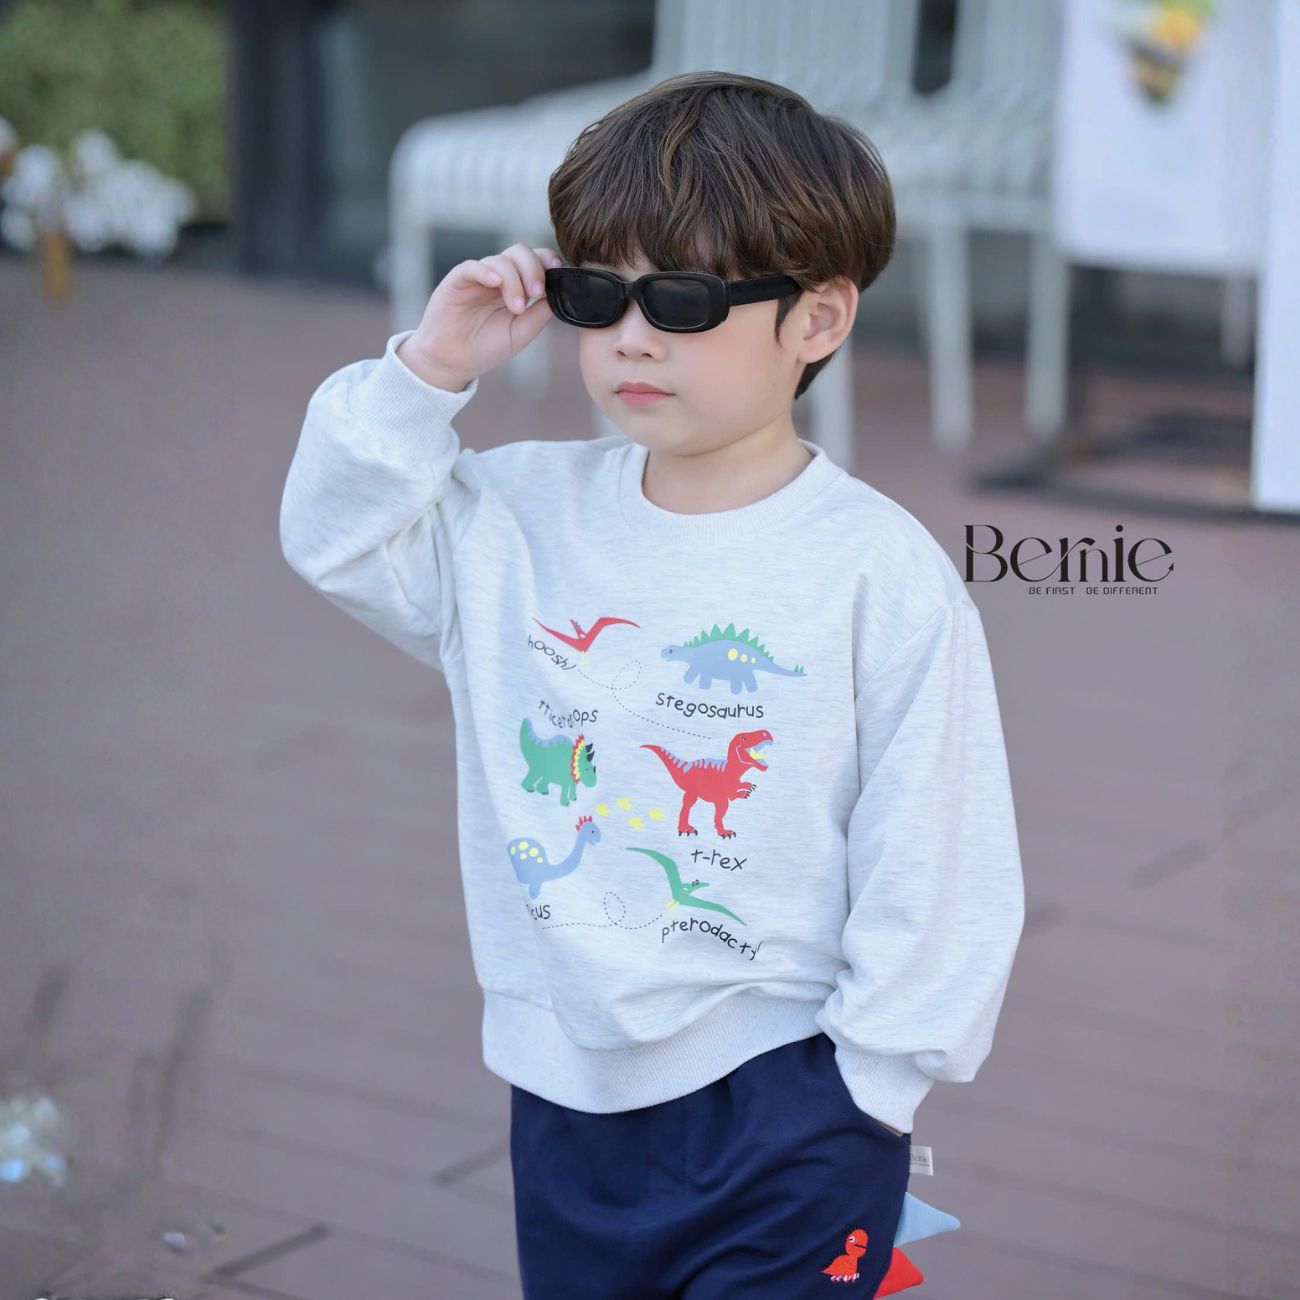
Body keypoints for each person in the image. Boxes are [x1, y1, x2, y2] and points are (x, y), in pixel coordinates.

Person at [279, 70, 1024, 1300]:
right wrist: (428, 370)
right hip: (560, 1086)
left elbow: (938, 852)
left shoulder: (874, 571)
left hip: (788, 1096)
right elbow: (336, 538)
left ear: (818, 318)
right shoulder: (512, 515)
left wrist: (870, 1084)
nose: (630, 335)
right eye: (596, 295)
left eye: (681, 299)